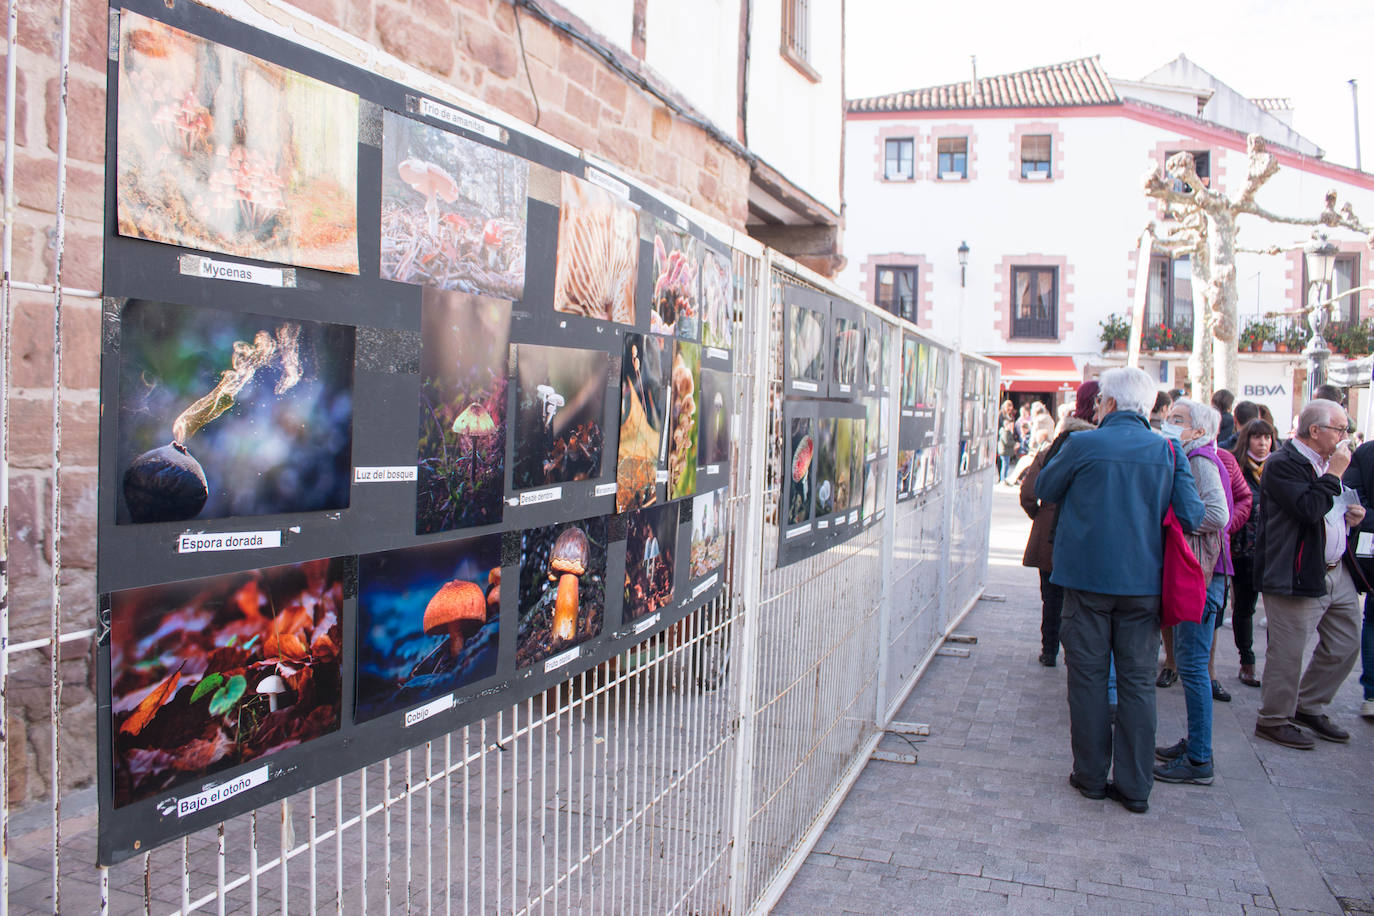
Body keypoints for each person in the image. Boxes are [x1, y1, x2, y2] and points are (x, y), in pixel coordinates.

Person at [1036, 367, 1204, 814]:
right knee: (1137, 685)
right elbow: (1192, 514)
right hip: (1143, 584)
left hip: (1086, 581)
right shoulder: (1168, 449)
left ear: (1106, 404)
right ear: (1148, 407)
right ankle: (1134, 786)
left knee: (1088, 681)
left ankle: (1090, 776)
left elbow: (1044, 488)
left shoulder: (1083, 443)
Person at [1253, 399, 1369, 749]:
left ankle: (1309, 705)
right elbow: (1308, 509)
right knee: (1288, 652)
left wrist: (1354, 514)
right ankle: (1273, 718)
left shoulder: (1327, 462)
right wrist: (1334, 473)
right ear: (1315, 431)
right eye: (1339, 429)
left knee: (1346, 644)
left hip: (1336, 569)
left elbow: (1329, 506)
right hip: (1295, 571)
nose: (1344, 435)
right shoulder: (1282, 463)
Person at [1152, 400, 1232, 787]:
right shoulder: (1192, 457)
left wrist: (1180, 519)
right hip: (1202, 575)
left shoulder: (1200, 461)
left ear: (1198, 431)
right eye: (1168, 418)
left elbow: (1218, 516)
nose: (1169, 423)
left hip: (1204, 576)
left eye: (1178, 420)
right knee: (1190, 664)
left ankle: (1200, 758)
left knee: (1194, 667)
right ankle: (1195, 744)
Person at [1020, 412, 1096, 666]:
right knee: (1076, 600)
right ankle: (1074, 653)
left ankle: (1049, 650)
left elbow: (1028, 494)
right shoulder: (1090, 457)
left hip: (1048, 532)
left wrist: (1040, 516)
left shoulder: (1046, 455)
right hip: (1079, 534)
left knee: (1050, 598)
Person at [1229, 418, 1276, 688]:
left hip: (1273, 551)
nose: (1262, 443)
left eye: (1267, 437)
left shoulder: (1278, 466)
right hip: (1243, 550)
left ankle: (1274, 664)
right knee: (1244, 608)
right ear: (1247, 439)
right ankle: (1246, 661)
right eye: (1257, 437)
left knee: (1276, 613)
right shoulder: (1238, 466)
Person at [1341, 433, 1374, 718]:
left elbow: (1354, 499)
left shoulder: (1365, 453)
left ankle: (1372, 694)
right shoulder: (1366, 453)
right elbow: (1353, 501)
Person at [997, 416, 1019, 484]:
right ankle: (1003, 479)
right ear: (1007, 425)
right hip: (1004, 452)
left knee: (1006, 466)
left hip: (1006, 451)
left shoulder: (1008, 432)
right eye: (1010, 425)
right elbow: (1007, 442)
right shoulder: (1005, 432)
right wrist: (1015, 443)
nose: (1012, 427)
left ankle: (1004, 478)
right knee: (1005, 466)